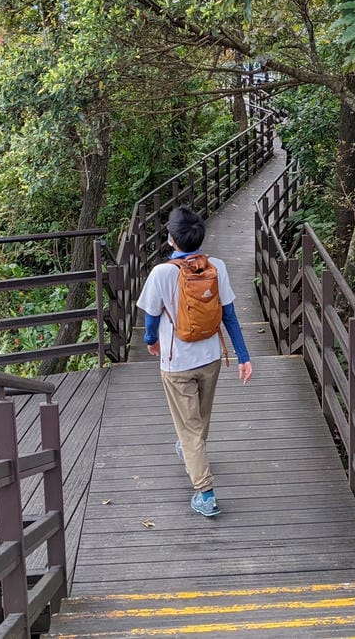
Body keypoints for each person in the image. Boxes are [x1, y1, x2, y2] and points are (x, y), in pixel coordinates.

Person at [137, 206, 254, 517]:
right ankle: (191, 451)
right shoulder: (217, 266)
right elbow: (229, 315)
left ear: (172, 239)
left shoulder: (162, 273)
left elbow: (151, 317)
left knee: (189, 429)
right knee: (200, 418)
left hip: (177, 362)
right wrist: (243, 357)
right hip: (211, 357)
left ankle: (206, 494)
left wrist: (150, 341)